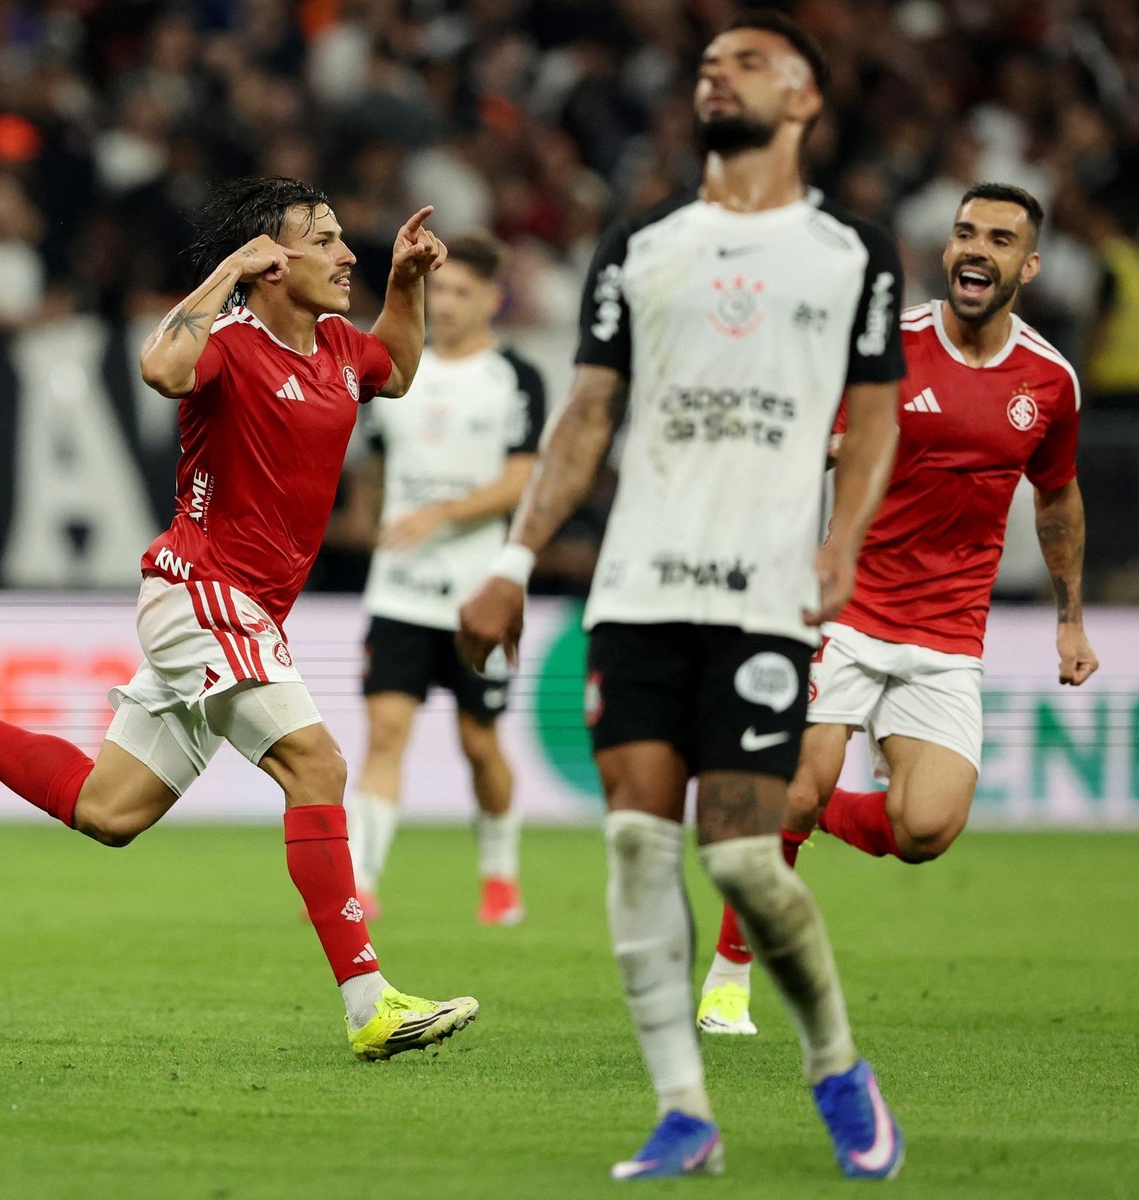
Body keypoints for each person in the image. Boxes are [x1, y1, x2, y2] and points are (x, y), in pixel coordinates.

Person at [0, 176, 479, 1062]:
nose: (345, 251)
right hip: (203, 590)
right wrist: (228, 271)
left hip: (240, 612)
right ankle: (370, 1006)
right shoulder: (230, 342)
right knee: (317, 765)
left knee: (109, 810)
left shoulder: (334, 347)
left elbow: (396, 369)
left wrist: (406, 283)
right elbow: (160, 366)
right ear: (271, 262)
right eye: (323, 239)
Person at [458, 12, 906, 1182]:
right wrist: (512, 562)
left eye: (749, 61)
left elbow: (871, 423)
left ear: (805, 99)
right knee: (632, 846)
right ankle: (682, 1109)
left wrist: (842, 543)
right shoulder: (642, 245)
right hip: (637, 588)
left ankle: (834, 1068)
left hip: (762, 599)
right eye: (708, 63)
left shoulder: (852, 253)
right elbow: (587, 417)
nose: (718, 73)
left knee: (747, 863)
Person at [696, 182, 1098, 1037]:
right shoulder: (884, 348)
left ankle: (791, 807)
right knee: (799, 782)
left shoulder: (1049, 382)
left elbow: (1056, 497)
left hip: (948, 634)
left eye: (997, 238)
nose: (973, 250)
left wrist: (1069, 615)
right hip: (844, 608)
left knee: (924, 829)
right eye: (963, 234)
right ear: (947, 250)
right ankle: (730, 974)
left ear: (1028, 264)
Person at [347, 232, 545, 926]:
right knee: (383, 733)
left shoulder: (515, 378)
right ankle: (363, 884)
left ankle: (499, 872)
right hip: (398, 588)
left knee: (479, 743)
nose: (450, 303)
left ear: (493, 298)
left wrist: (440, 513)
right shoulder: (401, 370)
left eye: (464, 291)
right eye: (441, 290)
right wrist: (373, 517)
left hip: (476, 592)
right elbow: (371, 460)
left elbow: (522, 479)